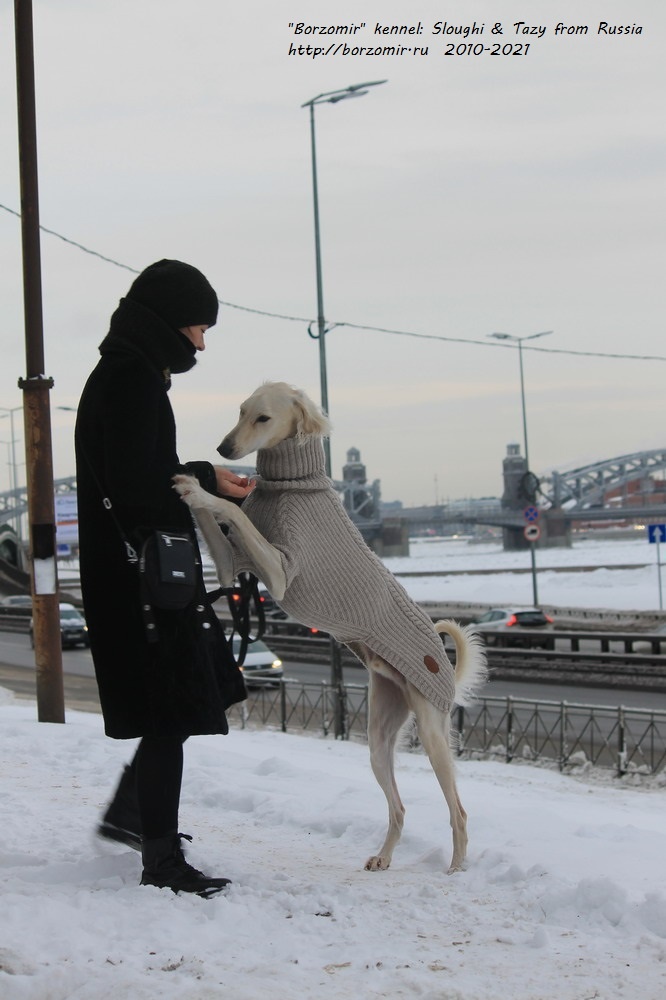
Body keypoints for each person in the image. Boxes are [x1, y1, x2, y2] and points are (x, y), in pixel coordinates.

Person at [74, 259, 253, 898]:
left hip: (138, 575)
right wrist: (203, 481)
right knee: (171, 711)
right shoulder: (131, 381)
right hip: (142, 582)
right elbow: (135, 487)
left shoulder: (128, 374)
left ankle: (137, 819)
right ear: (167, 323)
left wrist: (204, 476)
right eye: (198, 328)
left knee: (176, 707)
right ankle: (159, 858)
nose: (201, 343)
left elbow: (141, 468)